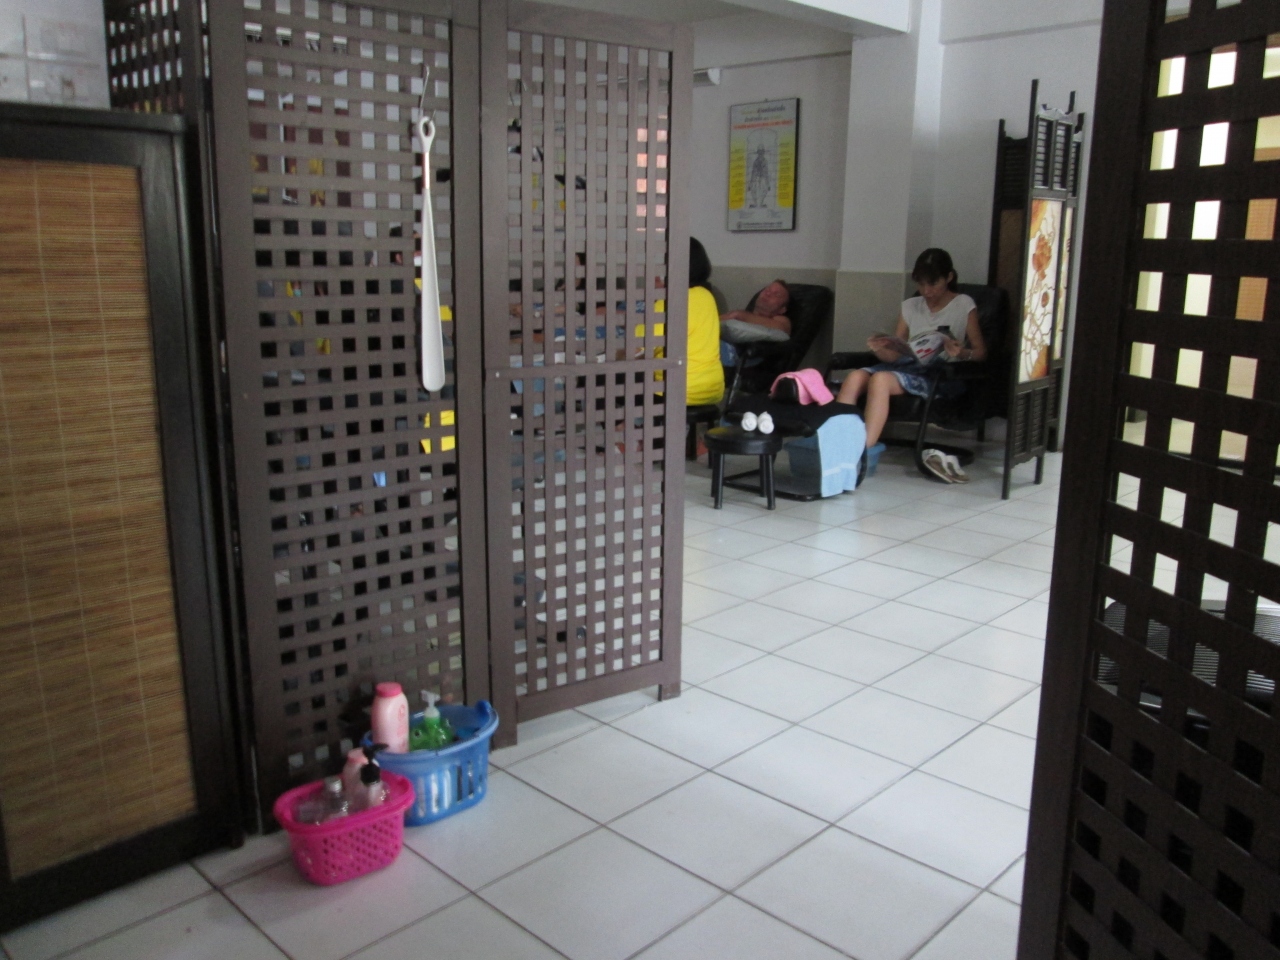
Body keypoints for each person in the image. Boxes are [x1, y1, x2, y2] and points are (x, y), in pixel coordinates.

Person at [834, 248, 986, 449]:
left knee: (880, 380)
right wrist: (881, 348)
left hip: (939, 374)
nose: (926, 291)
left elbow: (981, 353)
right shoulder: (910, 306)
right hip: (906, 366)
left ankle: (863, 449)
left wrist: (962, 352)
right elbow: (895, 355)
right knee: (855, 377)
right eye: (921, 284)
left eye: (933, 284)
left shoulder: (963, 304)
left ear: (949, 277)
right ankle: (837, 442)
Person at [686, 238, 725, 406]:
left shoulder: (671, 301)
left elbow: (638, 348)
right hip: (713, 388)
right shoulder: (706, 296)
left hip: (681, 390)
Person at [720, 279, 791, 342]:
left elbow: (782, 328)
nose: (768, 294)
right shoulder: (738, 314)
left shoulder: (781, 320)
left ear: (782, 309)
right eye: (767, 290)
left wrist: (740, 316)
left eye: (776, 295)